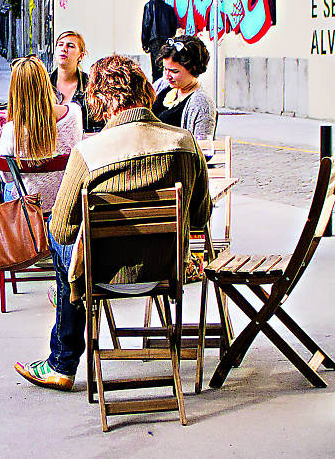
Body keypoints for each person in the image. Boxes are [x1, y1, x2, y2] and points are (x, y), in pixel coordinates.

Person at [14, 54, 211, 391]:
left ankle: (62, 362)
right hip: (166, 269)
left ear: (101, 100)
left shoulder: (89, 152)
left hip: (102, 274)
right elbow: (199, 216)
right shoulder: (184, 142)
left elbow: (61, 228)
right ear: (146, 92)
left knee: (60, 243)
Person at [0, 56, 84, 235]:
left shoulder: (12, 130)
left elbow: (7, 178)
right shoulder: (74, 113)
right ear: (46, 82)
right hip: (65, 198)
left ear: (15, 90)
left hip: (27, 203)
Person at [152, 35, 217, 139]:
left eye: (174, 71)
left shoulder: (202, 103)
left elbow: (203, 148)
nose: (167, 76)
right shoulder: (162, 85)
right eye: (165, 69)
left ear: (193, 68)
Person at [49, 31, 102, 133]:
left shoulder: (91, 85)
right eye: (60, 44)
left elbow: (98, 125)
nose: (64, 49)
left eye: (70, 46)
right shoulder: (43, 83)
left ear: (81, 56)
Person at [141, 0, 179, 81]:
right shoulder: (169, 8)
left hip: (154, 41)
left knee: (156, 69)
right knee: (165, 67)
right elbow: (173, 26)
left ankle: (157, 91)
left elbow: (146, 25)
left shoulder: (148, 6)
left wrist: (144, 43)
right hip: (166, 41)